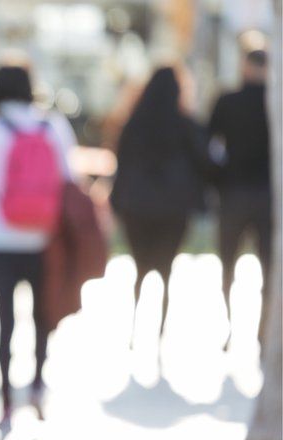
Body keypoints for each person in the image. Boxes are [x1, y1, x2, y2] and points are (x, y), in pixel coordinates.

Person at [0, 63, 77, 429]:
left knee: (5, 319)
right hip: (44, 238)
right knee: (42, 316)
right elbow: (69, 181)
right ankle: (38, 387)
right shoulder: (54, 126)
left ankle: (7, 399)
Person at [111, 66, 209, 348]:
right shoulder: (184, 123)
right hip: (173, 208)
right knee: (165, 271)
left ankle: (135, 328)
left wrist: (117, 202)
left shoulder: (135, 122)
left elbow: (122, 164)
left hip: (137, 206)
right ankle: (159, 333)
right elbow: (204, 161)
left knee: (140, 270)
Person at [208, 49, 271, 348]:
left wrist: (217, 178)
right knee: (266, 268)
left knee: (230, 265)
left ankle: (242, 329)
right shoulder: (270, 101)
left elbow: (207, 144)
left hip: (236, 192)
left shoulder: (229, 101)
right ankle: (259, 331)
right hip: (262, 194)